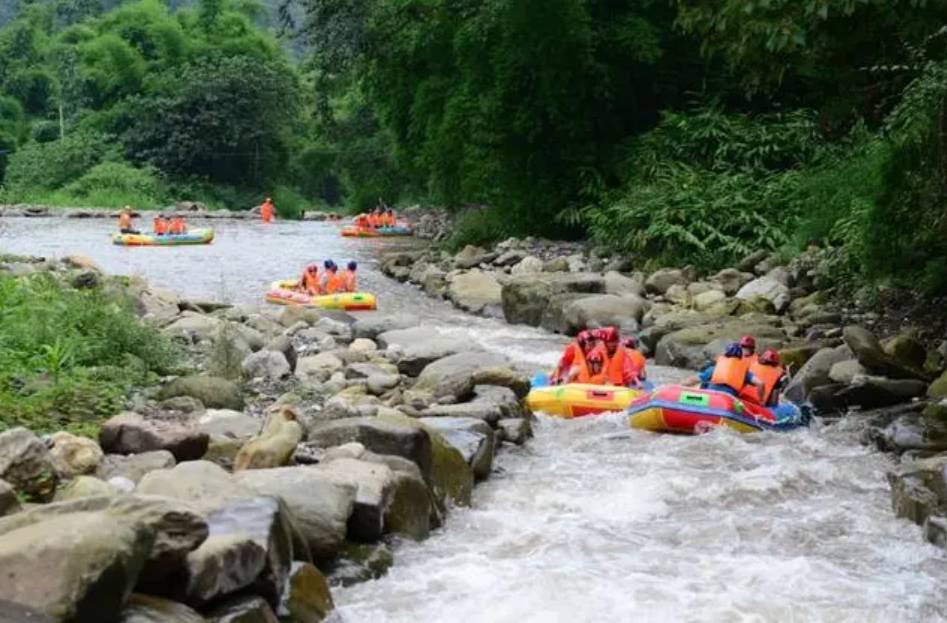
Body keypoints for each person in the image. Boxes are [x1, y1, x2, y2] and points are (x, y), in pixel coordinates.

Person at [684, 343, 765, 402]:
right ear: (740, 356)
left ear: (726, 354)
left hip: (708, 398)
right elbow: (760, 383)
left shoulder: (715, 368)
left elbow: (692, 380)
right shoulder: (744, 372)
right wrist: (761, 400)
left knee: (703, 385)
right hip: (727, 401)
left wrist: (677, 387)